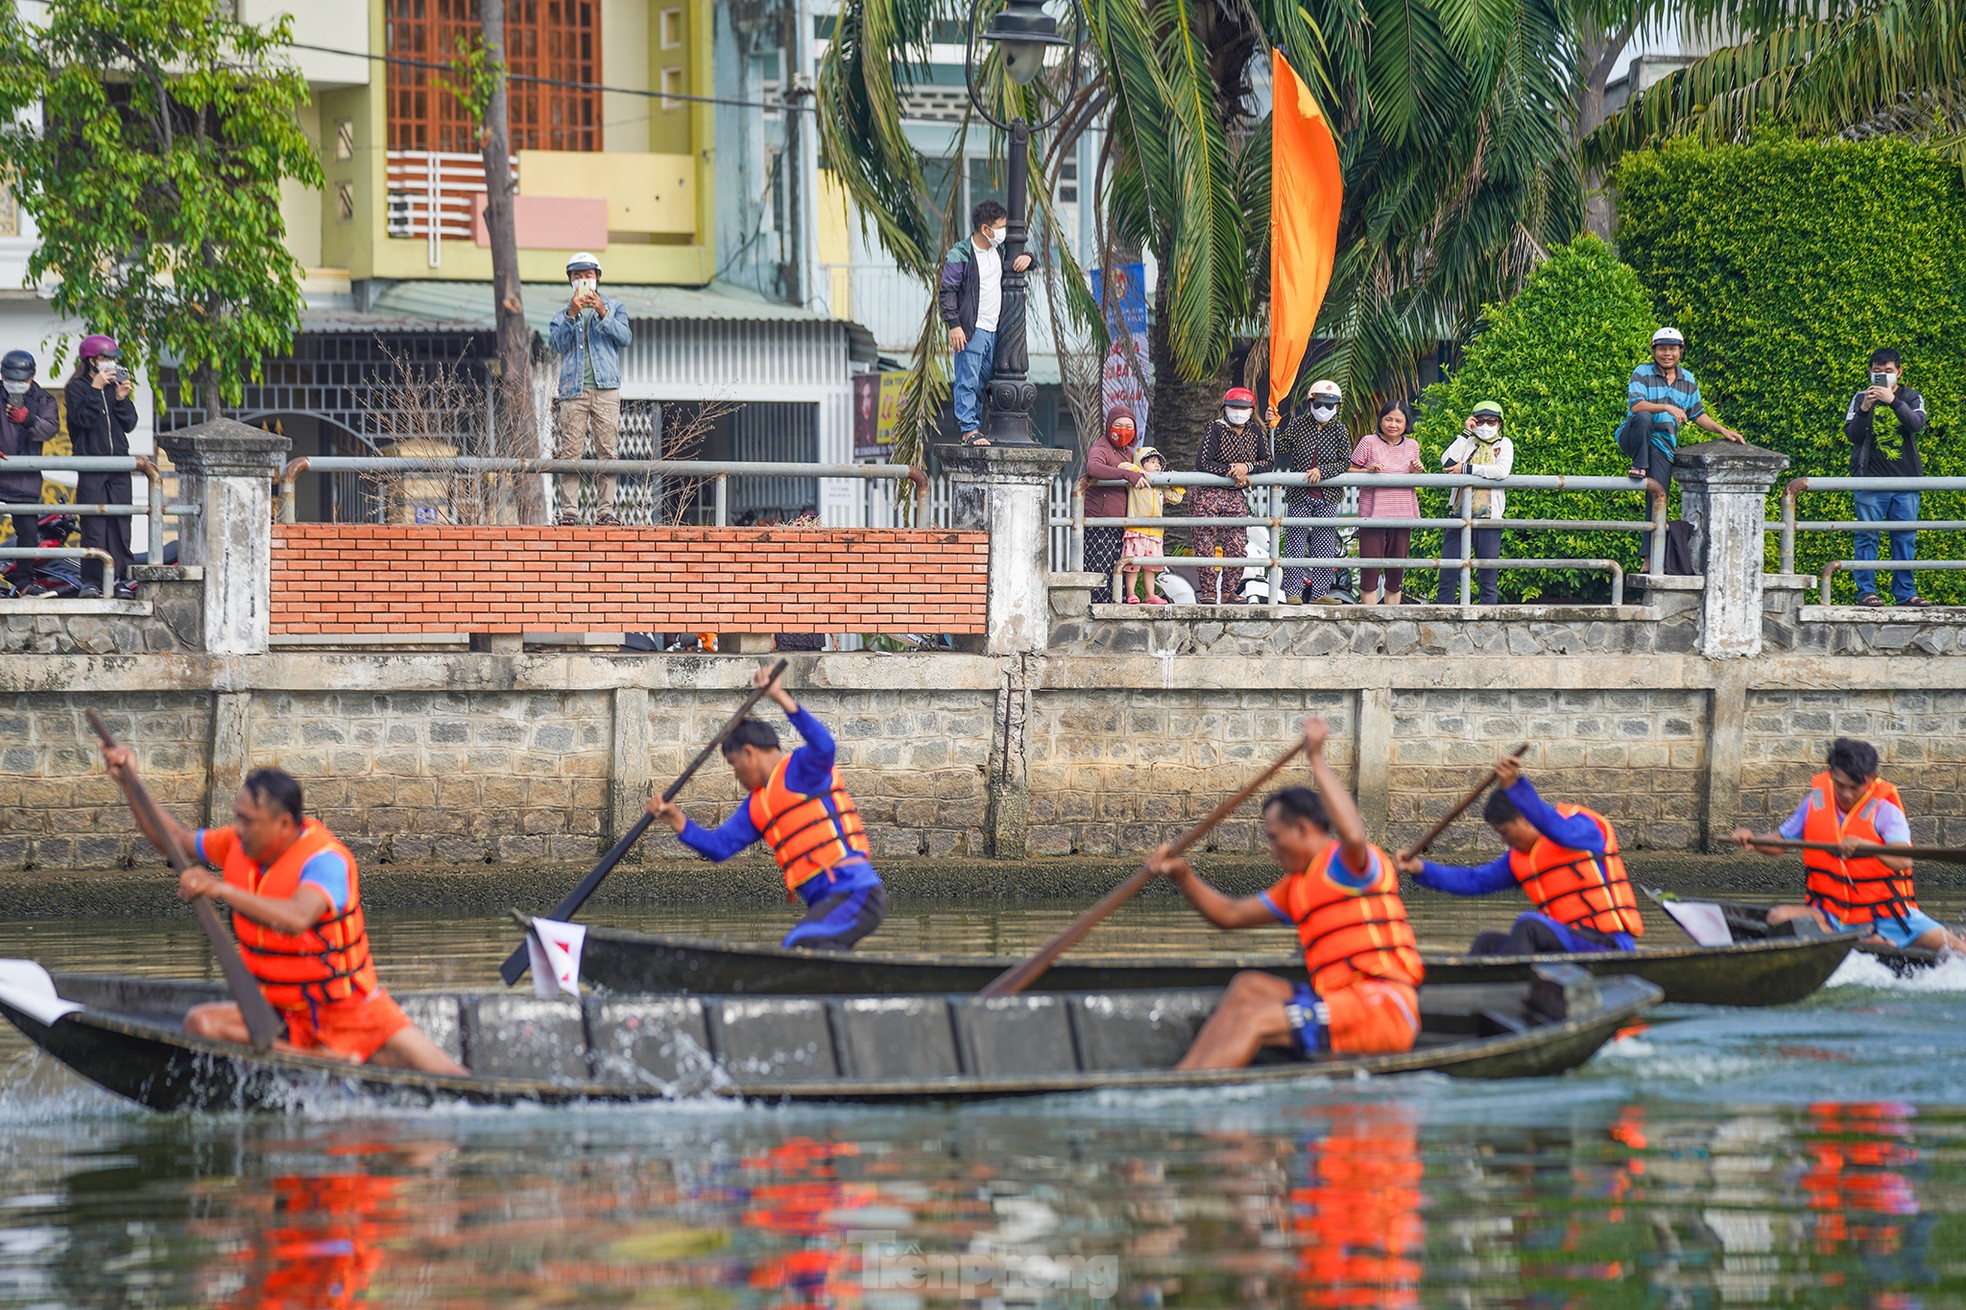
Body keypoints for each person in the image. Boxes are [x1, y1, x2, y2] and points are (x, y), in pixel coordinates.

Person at [94, 746, 468, 1074]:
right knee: (200, 1024)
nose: (237, 829)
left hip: (350, 1010)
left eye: (247, 821)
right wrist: (131, 782)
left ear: (284, 824)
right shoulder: (236, 846)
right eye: (237, 817)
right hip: (280, 1010)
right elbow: (173, 840)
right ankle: (330, 1062)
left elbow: (296, 917)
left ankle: (341, 1055)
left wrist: (219, 888)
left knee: (452, 1079)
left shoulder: (326, 861)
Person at [1149, 717, 1424, 1070]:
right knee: (1247, 987)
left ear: (1304, 829)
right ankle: (1183, 1076)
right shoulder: (1297, 886)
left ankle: (1187, 1094)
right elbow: (1229, 916)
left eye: (1274, 838)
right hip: (1340, 1002)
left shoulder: (1350, 864)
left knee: (1256, 1018)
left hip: (1381, 1008)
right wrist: (1183, 875)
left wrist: (1317, 760)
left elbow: (1353, 833)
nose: (1271, 849)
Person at [647, 665, 888, 951]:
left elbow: (824, 746)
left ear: (749, 753)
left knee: (801, 942)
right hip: (827, 900)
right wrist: (676, 820)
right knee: (812, 944)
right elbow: (719, 847)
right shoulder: (757, 805)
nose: (737, 777)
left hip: (856, 893)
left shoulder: (800, 770)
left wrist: (780, 697)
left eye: (735, 767)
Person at [1730, 737, 1966, 953]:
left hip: (1890, 915)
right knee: (1778, 917)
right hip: (1832, 915)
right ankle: (1864, 943)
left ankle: (1873, 941)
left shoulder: (1886, 812)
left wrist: (1865, 844)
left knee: (1956, 948)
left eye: (1855, 787)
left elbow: (1902, 860)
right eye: (1840, 785)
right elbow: (1780, 842)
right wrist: (1753, 840)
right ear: (1831, 773)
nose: (1846, 794)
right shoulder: (1815, 802)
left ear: (1872, 779)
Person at [1394, 753, 1644, 956]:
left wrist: (1515, 787)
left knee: (1529, 926)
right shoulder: (1520, 858)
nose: (1504, 841)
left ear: (1526, 818)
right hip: (1566, 943)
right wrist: (1421, 869)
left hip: (1609, 944)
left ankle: (1515, 990)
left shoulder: (1584, 831)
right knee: (1487, 943)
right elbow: (1474, 881)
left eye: (1506, 832)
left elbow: (1554, 827)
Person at [1615, 327, 1744, 562]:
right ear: (1654, 351)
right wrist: (1666, 407)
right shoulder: (1642, 372)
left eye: (1672, 349)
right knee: (1643, 417)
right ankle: (1639, 464)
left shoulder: (1688, 379)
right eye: (1662, 348)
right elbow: (1636, 407)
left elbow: (1698, 414)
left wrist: (1722, 430)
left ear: (1680, 351)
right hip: (1634, 437)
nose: (1667, 354)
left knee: (1658, 496)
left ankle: (1648, 560)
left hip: (1663, 445)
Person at [547, 252, 633, 526]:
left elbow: (625, 338)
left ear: (597, 278)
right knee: (570, 452)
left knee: (607, 451)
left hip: (606, 389)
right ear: (570, 281)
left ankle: (605, 512)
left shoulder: (615, 307)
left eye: (588, 276)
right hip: (573, 391)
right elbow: (555, 346)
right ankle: (569, 512)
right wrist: (572, 313)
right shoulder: (562, 315)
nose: (583, 281)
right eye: (577, 276)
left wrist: (601, 311)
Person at [939, 200, 1034, 447]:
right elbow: (947, 291)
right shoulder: (960, 254)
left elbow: (1022, 260)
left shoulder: (998, 251)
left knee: (984, 383)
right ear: (985, 229)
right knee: (967, 380)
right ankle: (969, 430)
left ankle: (979, 429)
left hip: (995, 329)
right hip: (972, 329)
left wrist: (1028, 258)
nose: (1004, 233)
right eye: (1000, 227)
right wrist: (954, 325)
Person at [1844, 348, 1930, 609]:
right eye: (1877, 372)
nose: (1882, 376)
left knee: (1905, 537)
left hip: (1906, 482)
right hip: (1870, 481)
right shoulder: (1860, 397)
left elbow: (1916, 424)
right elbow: (1853, 436)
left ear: (1899, 372)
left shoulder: (1911, 397)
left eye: (1888, 372)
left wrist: (1892, 401)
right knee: (1867, 536)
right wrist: (1865, 408)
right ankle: (1866, 592)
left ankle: (1906, 593)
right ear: (1870, 372)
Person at [63, 334, 142, 598]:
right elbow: (82, 420)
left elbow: (130, 423)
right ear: (93, 361)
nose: (111, 363)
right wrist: (96, 390)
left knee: (120, 524)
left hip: (118, 465)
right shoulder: (77, 388)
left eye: (113, 359)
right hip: (92, 465)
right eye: (106, 358)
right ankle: (93, 581)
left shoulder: (114, 386)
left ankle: (120, 579)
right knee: (94, 526)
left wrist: (121, 398)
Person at [1191, 386, 1273, 604]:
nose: (1239, 411)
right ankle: (1209, 592)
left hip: (1235, 495)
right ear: (1225, 408)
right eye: (1234, 407)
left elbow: (1268, 463)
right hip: (1207, 494)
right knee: (1205, 543)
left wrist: (1246, 467)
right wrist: (1232, 471)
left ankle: (1229, 591)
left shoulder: (1255, 432)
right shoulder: (1214, 429)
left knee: (1237, 544)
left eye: (1244, 408)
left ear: (1251, 410)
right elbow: (1203, 462)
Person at [1277, 380, 1352, 604]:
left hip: (1327, 495)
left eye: (1330, 406)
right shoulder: (1299, 424)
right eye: (1320, 404)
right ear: (1311, 402)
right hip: (1301, 494)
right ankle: (1293, 593)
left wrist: (1323, 471)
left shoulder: (1339, 429)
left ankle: (1320, 594)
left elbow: (1344, 462)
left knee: (1324, 544)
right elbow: (1280, 446)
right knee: (1295, 542)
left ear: (1337, 407)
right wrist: (1274, 423)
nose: (1325, 410)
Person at [1434, 400, 1514, 605]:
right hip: (1459, 515)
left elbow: (1501, 471)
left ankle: (1488, 615)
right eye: (1480, 420)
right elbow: (1447, 462)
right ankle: (1444, 613)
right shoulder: (1468, 442)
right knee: (1449, 570)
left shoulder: (1503, 444)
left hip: (1489, 518)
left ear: (1500, 423)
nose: (1485, 426)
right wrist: (1464, 433)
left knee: (1488, 572)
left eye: (1491, 421)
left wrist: (1467, 469)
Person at [1350, 400, 1423, 605]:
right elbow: (1351, 469)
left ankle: (1392, 618)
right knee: (1370, 569)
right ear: (1380, 420)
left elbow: (1415, 474)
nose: (1393, 424)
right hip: (1373, 513)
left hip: (1402, 513)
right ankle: (1369, 617)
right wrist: (1368, 470)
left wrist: (1416, 470)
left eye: (1399, 420)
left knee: (1396, 570)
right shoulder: (1368, 442)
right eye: (1388, 419)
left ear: (1406, 423)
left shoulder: (1412, 445)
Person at [1081, 405, 1145, 603]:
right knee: (1100, 573)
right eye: (1118, 425)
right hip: (1100, 522)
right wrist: (1126, 474)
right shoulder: (1102, 448)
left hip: (1123, 523)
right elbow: (1093, 467)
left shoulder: (1129, 452)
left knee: (1121, 572)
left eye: (1128, 426)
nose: (1123, 431)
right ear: (1109, 427)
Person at [0, 349, 58, 555]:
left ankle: (24, 581)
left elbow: (50, 428)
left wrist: (27, 419)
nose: (14, 383)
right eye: (8, 378)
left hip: (26, 478)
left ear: (31, 377)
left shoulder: (43, 399)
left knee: (27, 533)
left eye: (21, 379)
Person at [1117, 445, 1184, 604]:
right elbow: (1121, 466)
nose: (1157, 465)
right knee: (1132, 564)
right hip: (1136, 530)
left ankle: (1150, 595)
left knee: (1151, 567)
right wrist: (1137, 470)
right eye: (1152, 461)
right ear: (1141, 463)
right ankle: (1131, 594)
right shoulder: (1135, 481)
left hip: (1155, 533)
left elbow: (1175, 498)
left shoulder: (1160, 485)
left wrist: (1175, 482)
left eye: (1158, 463)